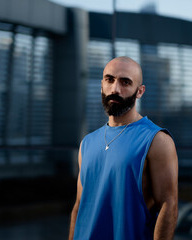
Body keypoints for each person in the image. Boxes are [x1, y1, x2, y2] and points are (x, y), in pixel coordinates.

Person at [68, 56, 178, 240]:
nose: (115, 89)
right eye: (109, 80)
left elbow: (169, 205)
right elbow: (79, 205)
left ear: (140, 91)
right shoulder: (87, 142)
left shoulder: (157, 140)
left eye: (125, 82)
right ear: (102, 84)